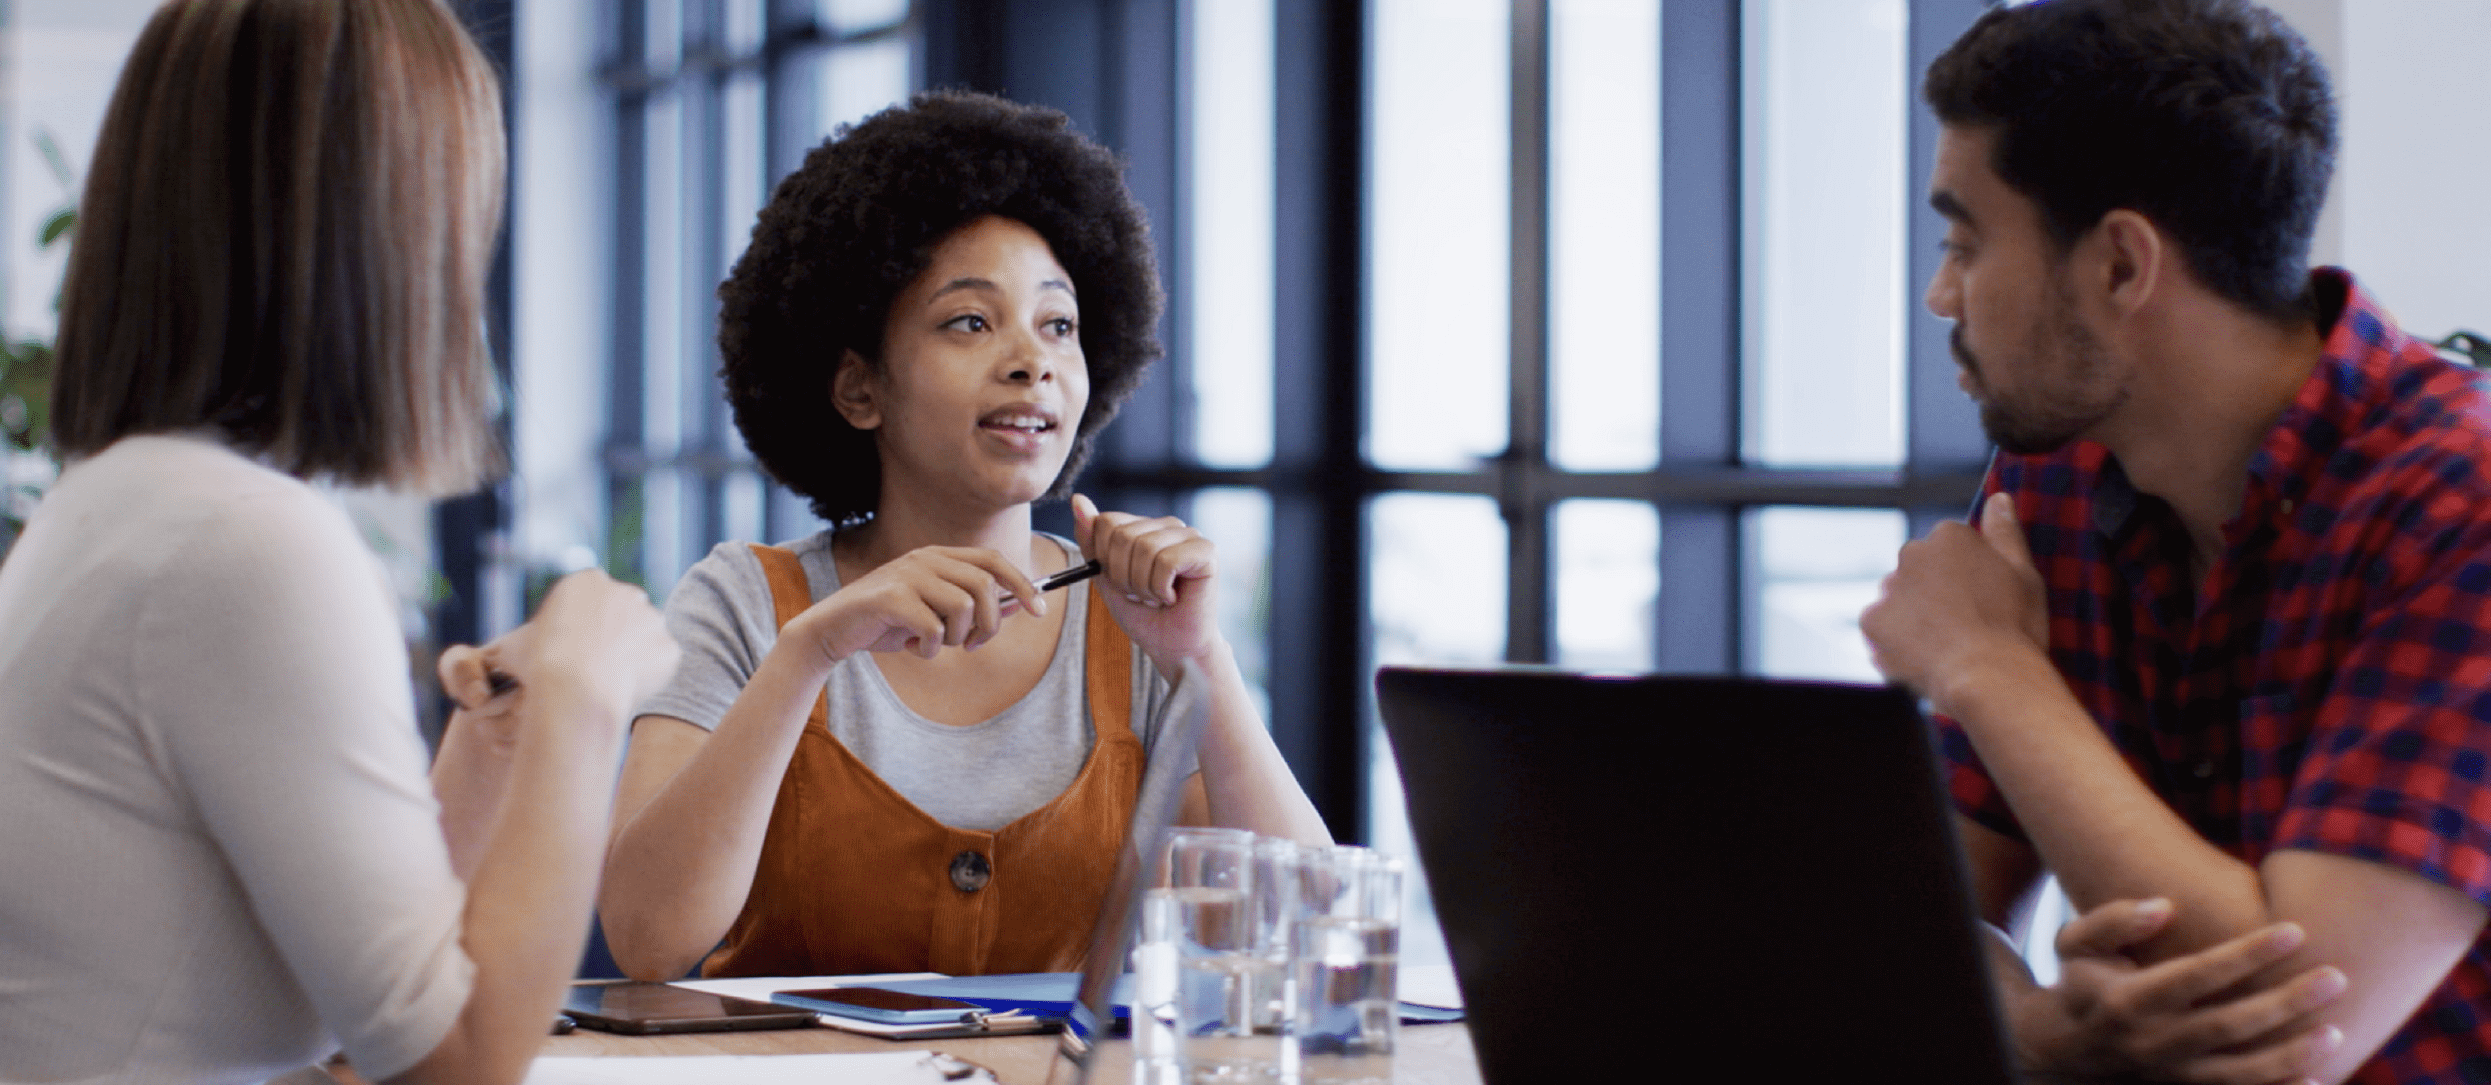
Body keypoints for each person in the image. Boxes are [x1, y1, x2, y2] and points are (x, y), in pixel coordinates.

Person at [0, 3, 681, 1084]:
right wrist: (582, 705)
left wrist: (503, 741)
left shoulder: (122, 502)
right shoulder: (245, 544)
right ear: (386, 237)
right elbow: (457, 1067)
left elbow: (379, 1001)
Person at [1861, 1, 2491, 1082]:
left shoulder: (2460, 498)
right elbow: (1902, 926)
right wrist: (2033, 1026)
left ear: (2118, 267)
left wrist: (1986, 665)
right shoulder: (2054, 472)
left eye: (1965, 241)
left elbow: (2291, 1027)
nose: (1940, 294)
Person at [596, 91, 1331, 982]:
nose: (1034, 357)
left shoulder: (1133, 624)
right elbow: (646, 938)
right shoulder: (746, 605)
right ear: (858, 390)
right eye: (970, 322)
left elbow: (1297, 930)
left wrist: (1202, 660)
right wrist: (810, 653)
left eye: (1058, 323)